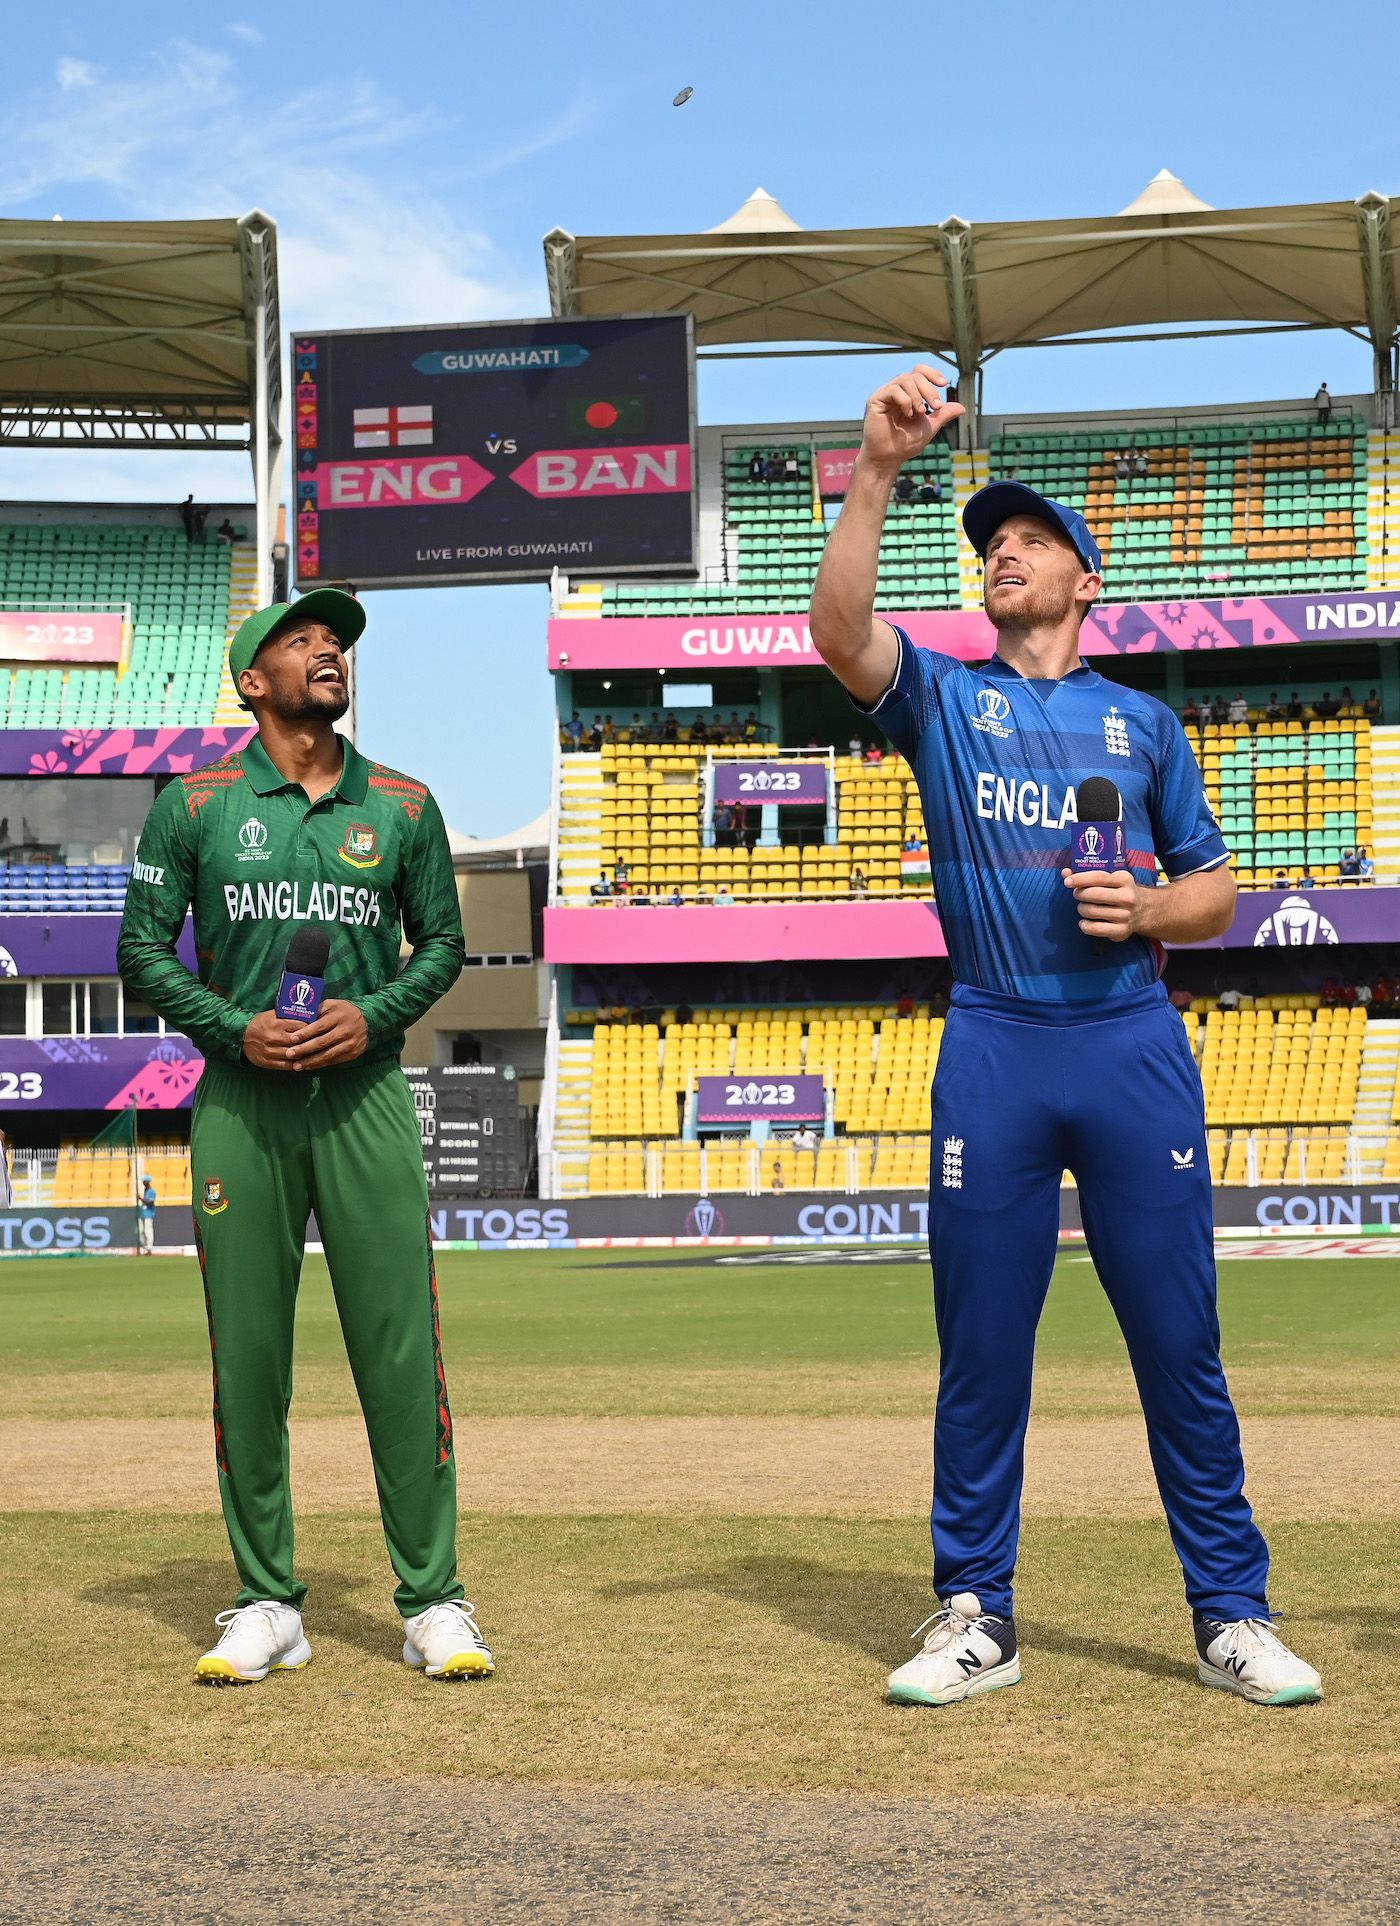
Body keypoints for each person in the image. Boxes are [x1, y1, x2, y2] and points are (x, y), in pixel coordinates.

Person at [807, 361, 1319, 1711]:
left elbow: (1216, 890)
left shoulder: (1143, 722)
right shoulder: (943, 698)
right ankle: (977, 1613)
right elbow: (837, 632)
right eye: (987, 545)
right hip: (996, 1043)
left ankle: (1232, 1612)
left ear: (1087, 580)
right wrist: (875, 471)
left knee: (1179, 1345)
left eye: (1027, 540)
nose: (1002, 555)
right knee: (984, 1346)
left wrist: (1150, 901)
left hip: (1129, 1043)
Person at [118, 588, 491, 1687]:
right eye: (300, 640)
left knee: (400, 1353)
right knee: (249, 1360)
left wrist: (369, 1016)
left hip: (367, 1098)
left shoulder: (408, 806)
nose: (327, 649)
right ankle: (267, 1602)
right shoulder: (193, 805)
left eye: (336, 642)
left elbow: (444, 949)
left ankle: (433, 1601)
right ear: (251, 681)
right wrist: (235, 1031)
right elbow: (140, 951)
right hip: (242, 1103)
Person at [137, 1174, 157, 1255]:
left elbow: (151, 1203)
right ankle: (144, 1247)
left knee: (148, 1231)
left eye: (144, 1182)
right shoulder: (145, 1191)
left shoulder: (151, 1191)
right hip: (143, 1214)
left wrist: (141, 1199)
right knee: (141, 1232)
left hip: (148, 1214)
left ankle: (149, 1249)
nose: (143, 1183)